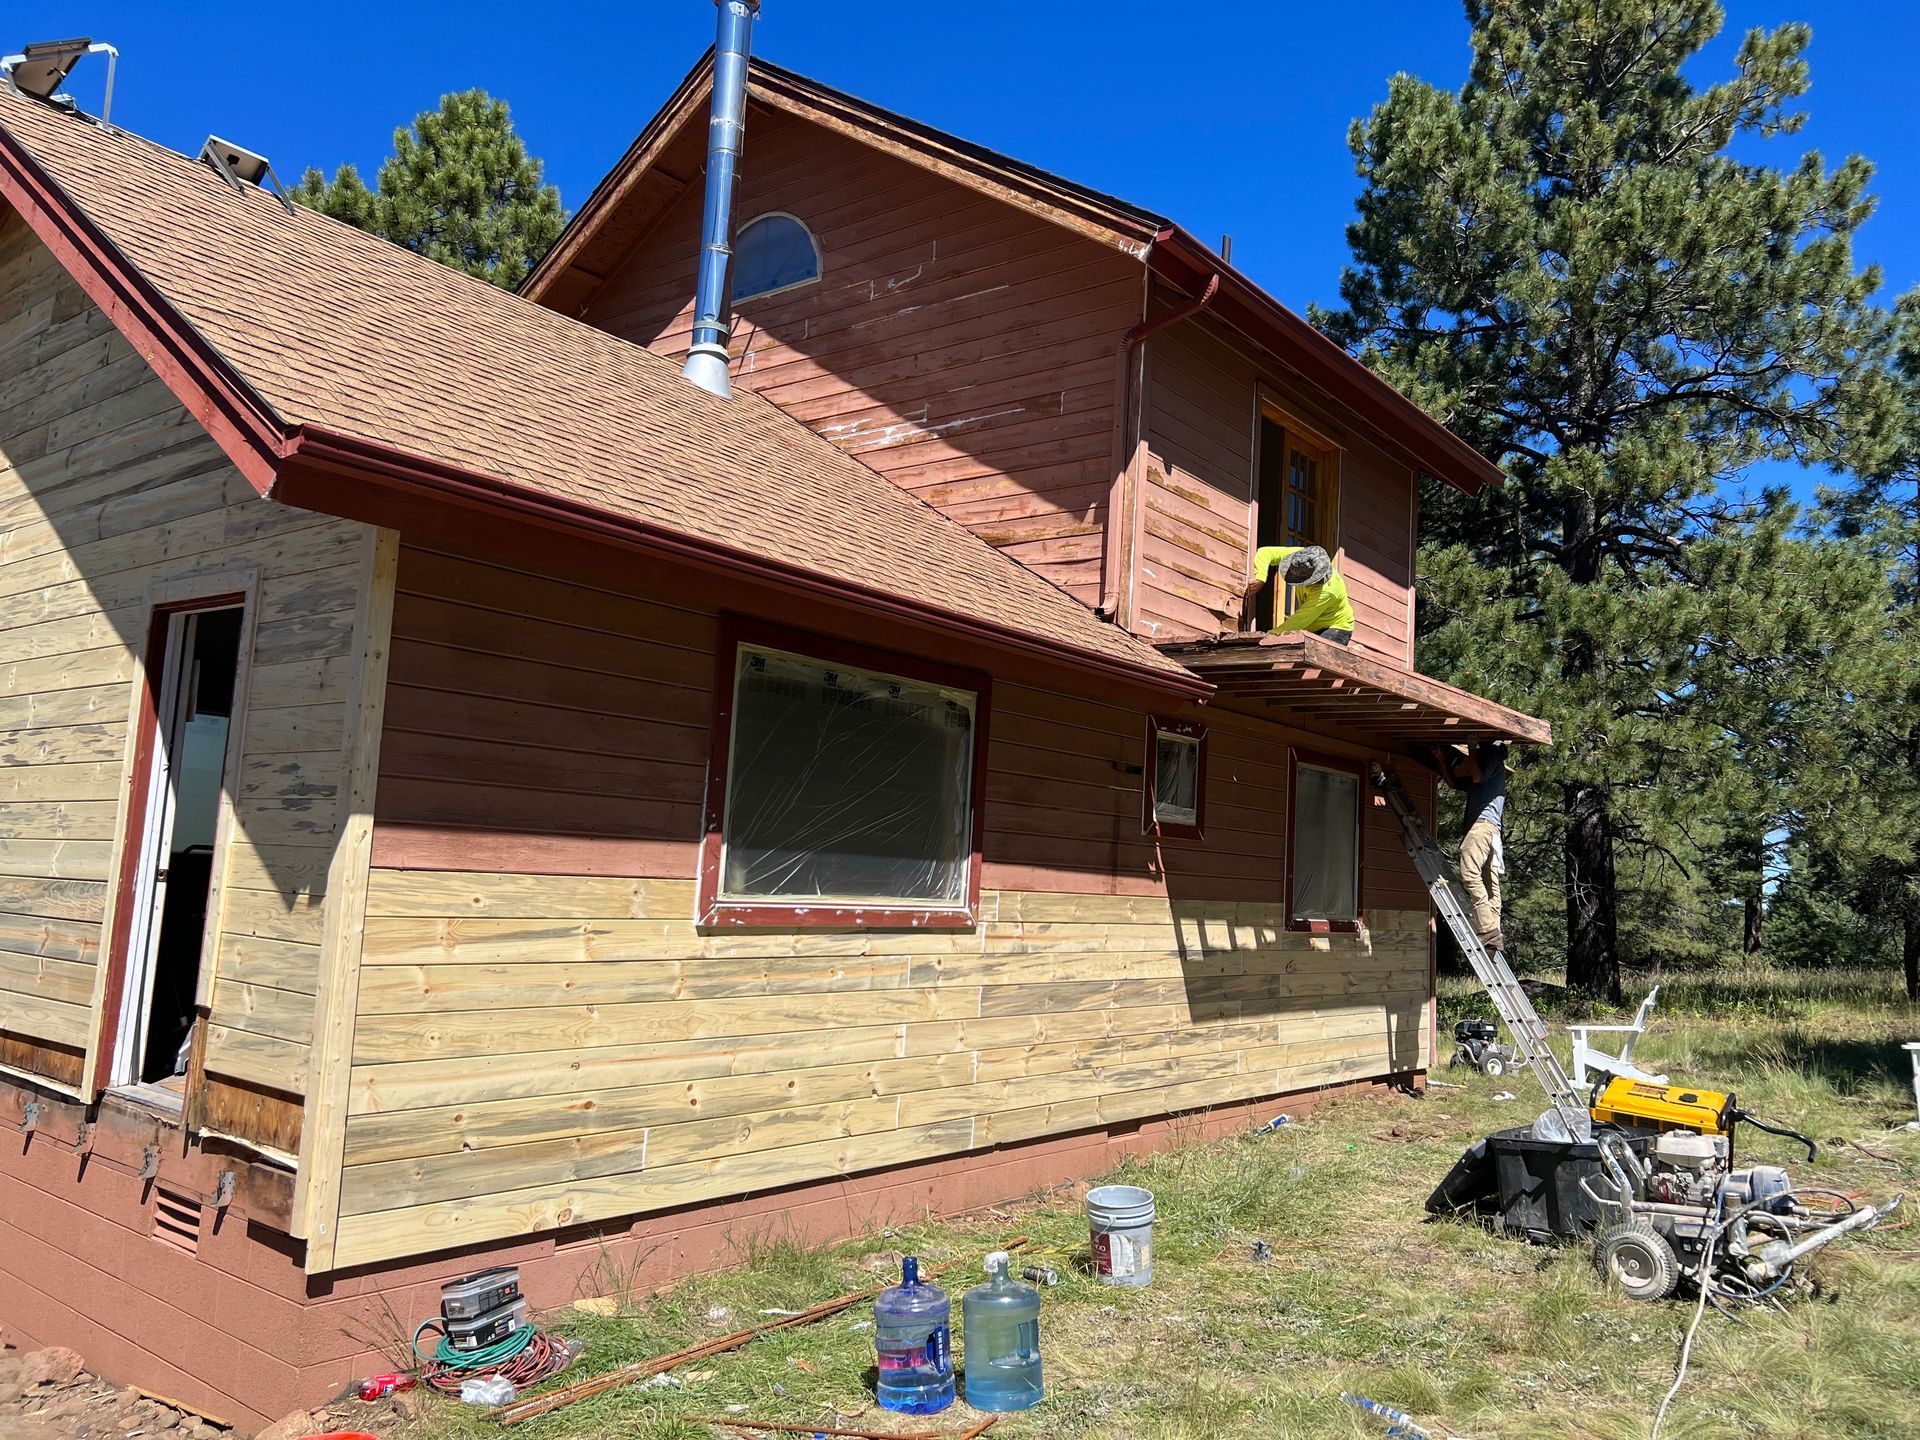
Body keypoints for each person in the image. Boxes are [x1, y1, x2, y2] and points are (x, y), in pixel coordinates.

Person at [1431, 740, 1511, 953]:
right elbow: (1454, 782)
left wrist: (1473, 745)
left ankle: (1487, 928)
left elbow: (1475, 775)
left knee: (1470, 875)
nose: (1466, 762)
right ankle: (1494, 932)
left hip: (1482, 827)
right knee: (1489, 881)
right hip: (1491, 831)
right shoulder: (1488, 766)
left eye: (1468, 759)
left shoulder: (1493, 756)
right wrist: (1441, 759)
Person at [1243, 544, 1355, 643]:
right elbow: (1265, 552)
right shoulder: (1300, 557)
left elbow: (1300, 620)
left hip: (1336, 627)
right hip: (1312, 625)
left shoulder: (1327, 591)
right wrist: (1261, 578)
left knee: (1317, 655)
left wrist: (1269, 636)